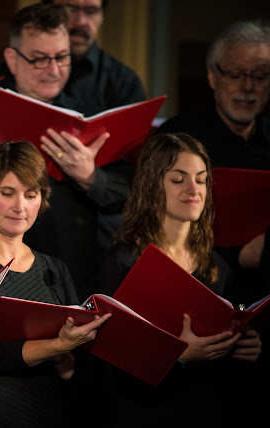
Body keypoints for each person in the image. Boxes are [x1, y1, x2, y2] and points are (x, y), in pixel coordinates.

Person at [0, 2, 129, 299]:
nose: (54, 70)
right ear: (12, 58)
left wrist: (90, 176)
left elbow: (127, 198)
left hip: (69, 278)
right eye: (40, 59)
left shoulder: (90, 116)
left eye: (62, 57)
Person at [0, 141, 110, 428]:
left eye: (31, 195)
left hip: (50, 410)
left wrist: (70, 354)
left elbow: (76, 365)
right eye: (7, 193)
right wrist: (57, 345)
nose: (20, 207)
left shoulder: (55, 268)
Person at [98, 132, 262, 427]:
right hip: (142, 413)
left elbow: (222, 365)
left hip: (204, 411)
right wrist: (179, 355)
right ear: (152, 185)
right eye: (178, 179)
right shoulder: (125, 261)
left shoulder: (218, 267)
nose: (193, 189)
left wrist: (241, 347)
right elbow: (110, 362)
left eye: (201, 179)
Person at [156, 20, 270, 426]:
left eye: (260, 76)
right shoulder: (180, 139)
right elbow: (149, 230)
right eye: (236, 74)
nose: (248, 87)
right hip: (188, 327)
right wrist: (239, 255)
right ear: (212, 75)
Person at [0, 0, 145, 117]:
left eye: (91, 10)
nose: (81, 21)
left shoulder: (123, 83)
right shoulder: (4, 77)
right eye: (71, 8)